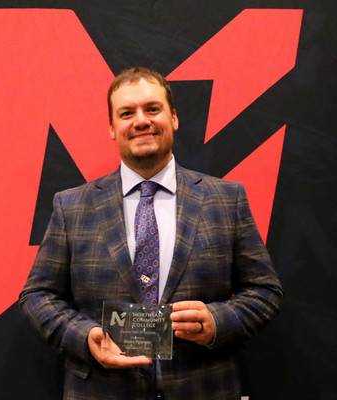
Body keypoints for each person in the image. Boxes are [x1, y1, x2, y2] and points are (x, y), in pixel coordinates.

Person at [19, 66, 283, 400]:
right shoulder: (71, 206)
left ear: (173, 118)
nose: (141, 121)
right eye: (126, 113)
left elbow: (265, 291)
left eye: (152, 109)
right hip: (103, 391)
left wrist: (217, 321)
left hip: (203, 387)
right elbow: (37, 295)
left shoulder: (226, 199)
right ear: (112, 128)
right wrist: (84, 336)